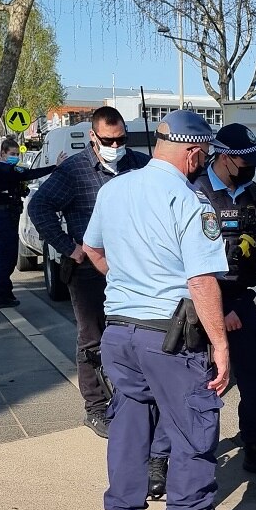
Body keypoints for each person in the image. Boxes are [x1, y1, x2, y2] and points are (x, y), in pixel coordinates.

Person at [80, 109, 239, 510]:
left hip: (119, 333)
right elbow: (201, 281)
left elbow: (92, 248)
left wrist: (127, 280)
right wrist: (220, 346)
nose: (204, 162)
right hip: (169, 337)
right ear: (192, 152)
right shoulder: (191, 201)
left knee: (129, 426)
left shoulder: (114, 189)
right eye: (204, 154)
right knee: (193, 428)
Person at [27, 105, 151, 439]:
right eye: (109, 140)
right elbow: (38, 206)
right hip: (88, 271)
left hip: (133, 269)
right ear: (93, 137)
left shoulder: (140, 165)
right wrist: (70, 247)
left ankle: (134, 401)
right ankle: (96, 408)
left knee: (136, 336)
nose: (116, 146)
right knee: (92, 339)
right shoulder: (74, 170)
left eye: (121, 139)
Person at [192, 123, 256, 479]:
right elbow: (180, 264)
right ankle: (177, 458)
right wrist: (220, 308)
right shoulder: (195, 192)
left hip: (242, 299)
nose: (250, 167)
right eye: (244, 160)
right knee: (198, 387)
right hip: (198, 305)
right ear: (224, 158)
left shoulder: (251, 193)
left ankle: (255, 448)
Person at [0, 137, 56, 309]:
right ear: (3, 153)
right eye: (12, 154)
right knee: (6, 259)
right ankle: (0, 296)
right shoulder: (6, 170)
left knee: (4, 257)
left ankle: (5, 293)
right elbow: (30, 174)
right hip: (4, 216)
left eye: (17, 154)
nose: (15, 157)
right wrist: (55, 167)